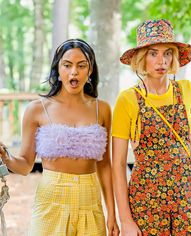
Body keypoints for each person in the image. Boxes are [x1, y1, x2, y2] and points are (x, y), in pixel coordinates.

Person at [112, 19, 191, 236]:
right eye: (153, 53)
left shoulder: (188, 90)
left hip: (187, 195)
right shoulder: (128, 100)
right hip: (146, 199)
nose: (162, 61)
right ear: (142, 58)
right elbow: (118, 164)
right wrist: (126, 220)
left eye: (167, 53)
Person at [0, 38, 119, 236]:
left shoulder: (103, 109)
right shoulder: (37, 109)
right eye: (67, 65)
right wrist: (6, 156)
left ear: (90, 71)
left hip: (90, 202)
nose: (74, 72)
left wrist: (112, 214)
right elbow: (25, 164)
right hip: (50, 202)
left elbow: (105, 165)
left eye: (81, 66)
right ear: (58, 69)